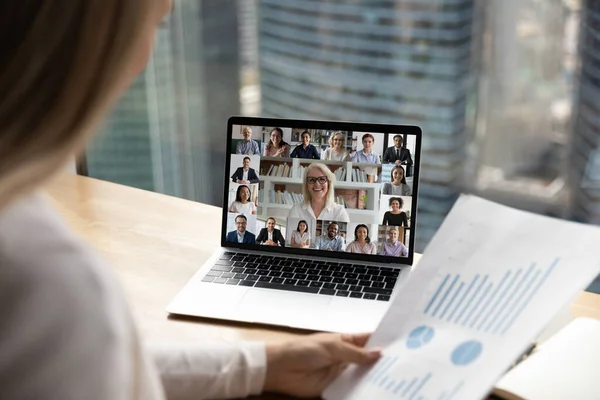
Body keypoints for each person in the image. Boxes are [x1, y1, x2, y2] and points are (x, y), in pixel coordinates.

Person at [0, 1, 382, 398]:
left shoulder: (26, 239)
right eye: (156, 25)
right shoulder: (50, 280)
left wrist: (264, 365)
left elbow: (80, 367)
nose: (142, 59)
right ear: (98, 45)